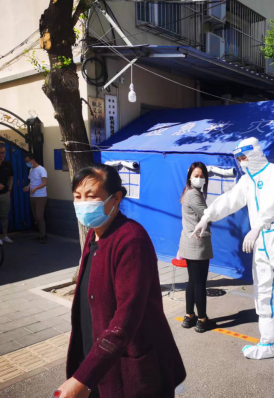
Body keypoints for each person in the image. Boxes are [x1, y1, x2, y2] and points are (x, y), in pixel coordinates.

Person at [59, 165, 186, 399]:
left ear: (116, 198)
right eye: (77, 196)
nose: (82, 203)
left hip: (128, 367)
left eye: (91, 196)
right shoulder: (93, 233)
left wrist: (82, 378)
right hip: (96, 357)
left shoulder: (131, 240)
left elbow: (125, 319)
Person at [192, 137, 274, 370]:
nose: (241, 162)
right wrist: (207, 217)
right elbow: (229, 200)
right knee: (263, 294)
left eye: (244, 157)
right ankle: (269, 342)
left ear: (255, 154)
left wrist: (258, 226)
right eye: (239, 158)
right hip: (261, 242)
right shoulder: (247, 181)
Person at [179, 162, 216, 333]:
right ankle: (202, 319)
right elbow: (208, 216)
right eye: (196, 176)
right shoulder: (194, 194)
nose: (199, 179)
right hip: (198, 244)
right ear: (189, 177)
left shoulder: (189, 192)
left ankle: (189, 316)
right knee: (200, 282)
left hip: (190, 242)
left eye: (202, 176)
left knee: (193, 281)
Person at [23, 154, 48, 244]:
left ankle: (43, 235)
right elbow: (32, 182)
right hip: (32, 196)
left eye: (27, 161)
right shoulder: (31, 170)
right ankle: (41, 234)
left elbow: (45, 182)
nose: (27, 163)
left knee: (39, 216)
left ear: (33, 160)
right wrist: (28, 187)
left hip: (40, 196)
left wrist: (35, 189)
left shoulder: (41, 169)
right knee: (36, 217)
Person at [0, 144, 14, 244]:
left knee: (4, 215)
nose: (2, 155)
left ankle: (5, 236)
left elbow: (11, 178)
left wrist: (9, 190)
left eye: (3, 153)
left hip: (4, 194)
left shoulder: (7, 164)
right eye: (0, 153)